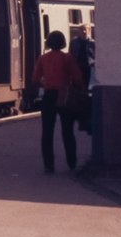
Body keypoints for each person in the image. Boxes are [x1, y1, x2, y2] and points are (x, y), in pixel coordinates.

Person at [31, 30, 85, 173]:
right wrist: (78, 89)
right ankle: (71, 162)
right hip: (65, 96)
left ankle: (49, 165)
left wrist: (46, 84)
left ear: (48, 43)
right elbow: (77, 78)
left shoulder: (43, 58)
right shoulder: (67, 58)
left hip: (49, 96)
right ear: (63, 42)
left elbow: (35, 79)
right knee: (67, 131)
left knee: (47, 132)